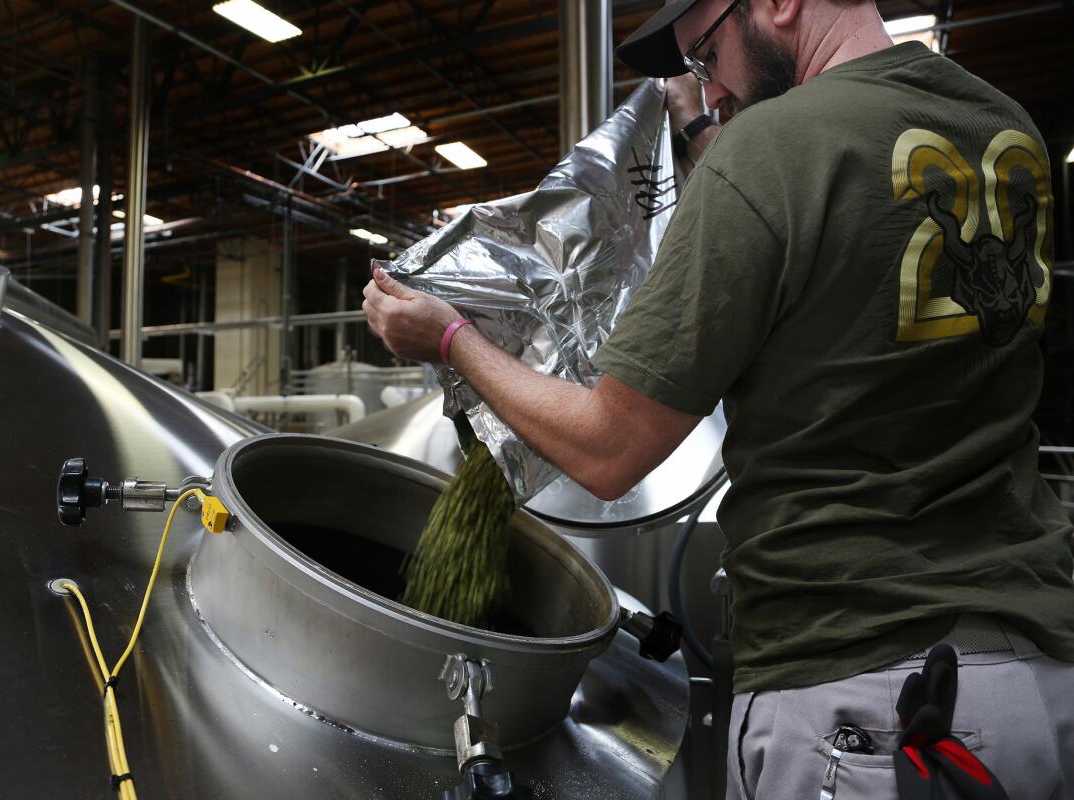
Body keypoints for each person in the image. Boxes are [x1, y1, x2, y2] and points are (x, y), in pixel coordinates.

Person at [363, 0, 1074, 796]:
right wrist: (705, 134)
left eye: (705, 53)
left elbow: (608, 449)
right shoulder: (1003, 127)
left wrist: (450, 337)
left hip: (860, 693)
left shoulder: (770, 151)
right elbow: (841, 233)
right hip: (1036, 674)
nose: (708, 88)